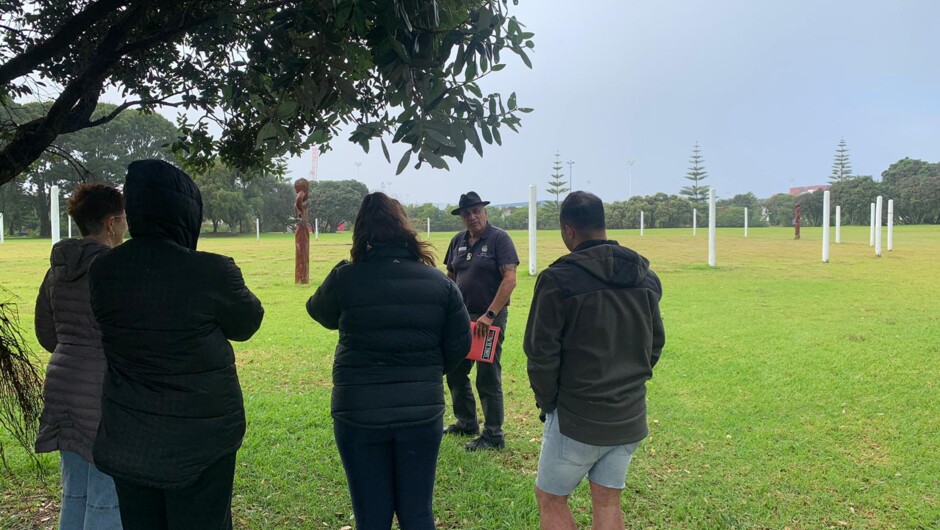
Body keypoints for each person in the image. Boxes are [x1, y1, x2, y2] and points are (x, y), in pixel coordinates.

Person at [88, 159, 264, 530]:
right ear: (186, 213)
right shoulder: (212, 271)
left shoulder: (104, 270)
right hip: (203, 440)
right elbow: (248, 323)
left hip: (128, 436)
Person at [307, 192, 471, 530]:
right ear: (404, 228)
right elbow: (459, 346)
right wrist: (426, 373)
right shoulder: (441, 284)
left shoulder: (347, 277)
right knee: (418, 512)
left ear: (361, 231)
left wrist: (342, 270)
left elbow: (318, 312)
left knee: (371, 515)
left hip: (358, 411)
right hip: (421, 411)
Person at [523, 191, 666, 530]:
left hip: (577, 417)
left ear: (568, 230)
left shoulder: (557, 279)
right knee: (607, 499)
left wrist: (548, 403)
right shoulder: (647, 278)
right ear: (603, 225)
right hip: (629, 415)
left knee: (551, 499)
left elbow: (540, 354)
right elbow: (655, 345)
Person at [34, 183, 127, 530]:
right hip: (101, 389)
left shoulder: (57, 268)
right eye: (123, 219)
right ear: (110, 223)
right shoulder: (114, 267)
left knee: (74, 489)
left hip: (61, 384)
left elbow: (46, 333)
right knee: (107, 492)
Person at [443, 191, 519, 451]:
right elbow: (450, 277)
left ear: (485, 212)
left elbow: (509, 279)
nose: (472, 217)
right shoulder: (457, 241)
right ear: (462, 217)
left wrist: (490, 315)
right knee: (455, 370)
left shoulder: (499, 239)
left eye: (477, 211)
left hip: (489, 319)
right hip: (461, 319)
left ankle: (494, 434)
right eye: (467, 213)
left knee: (487, 376)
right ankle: (466, 422)